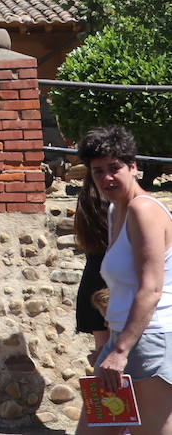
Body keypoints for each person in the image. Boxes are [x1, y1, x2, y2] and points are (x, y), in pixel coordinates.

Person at [81, 125, 172, 434]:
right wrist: (111, 342)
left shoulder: (143, 210)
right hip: (122, 337)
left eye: (114, 168)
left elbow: (151, 289)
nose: (106, 178)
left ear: (133, 167)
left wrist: (120, 352)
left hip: (149, 340)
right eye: (98, 171)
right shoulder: (115, 210)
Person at [75, 170, 111, 362]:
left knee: (103, 352)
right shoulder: (118, 203)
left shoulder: (86, 199)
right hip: (110, 281)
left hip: (93, 278)